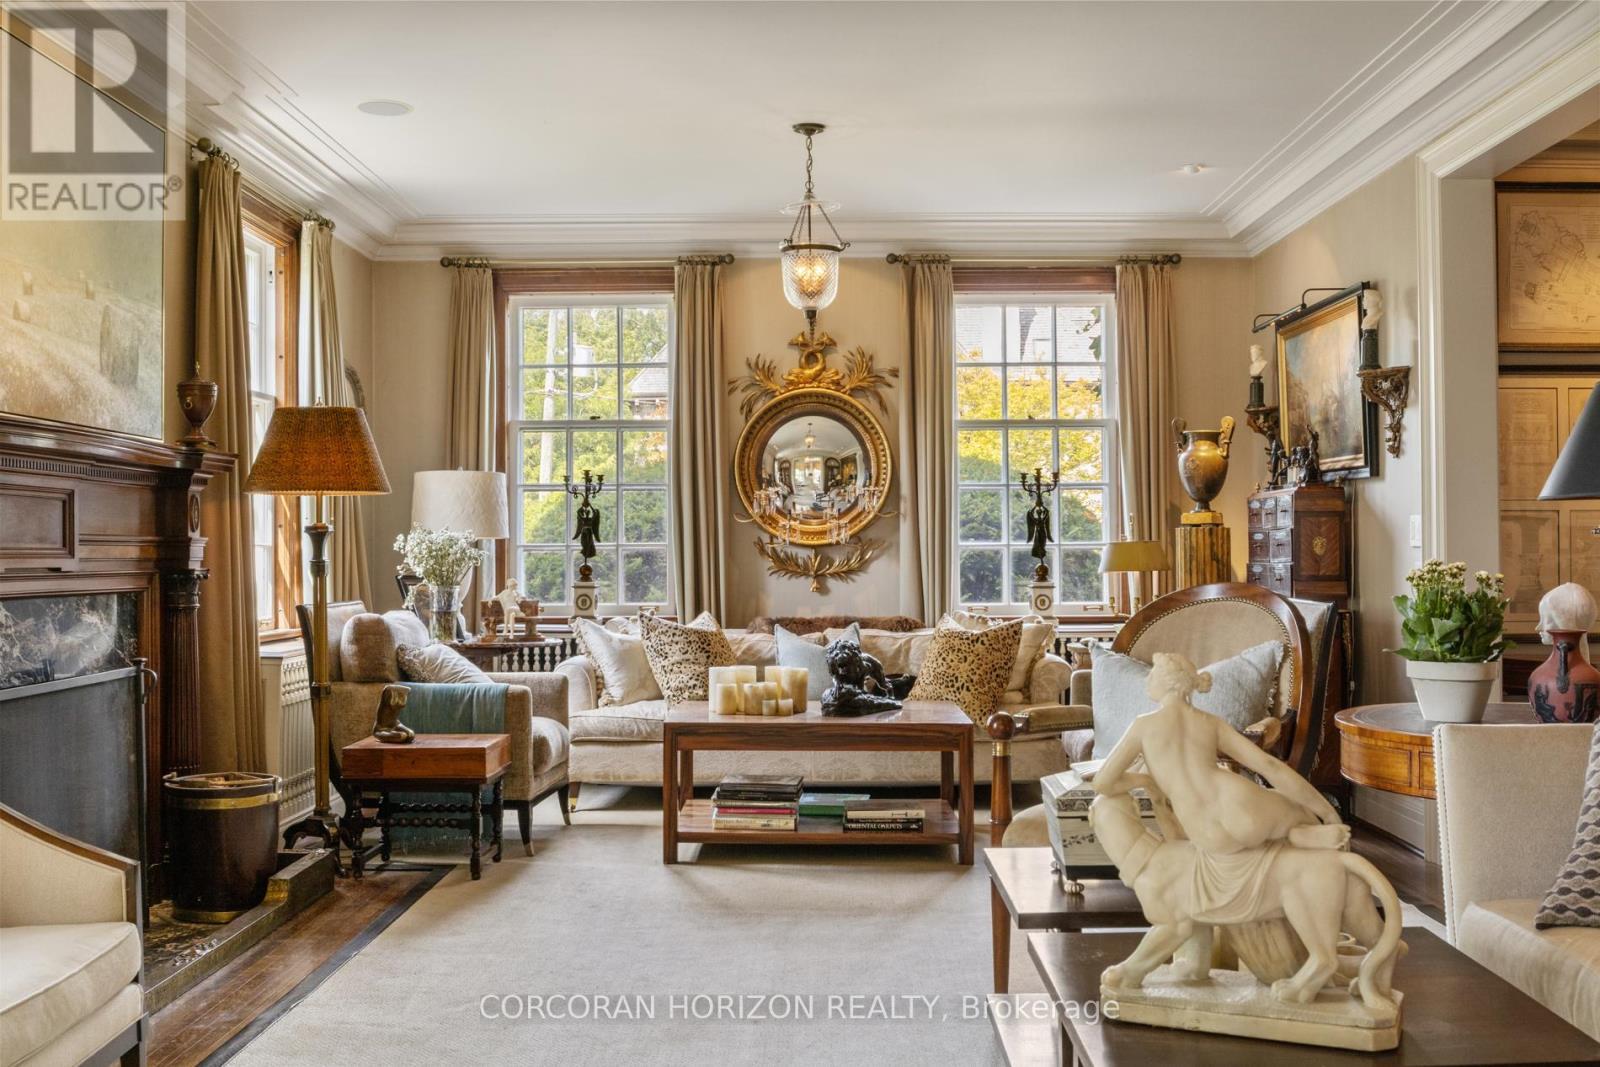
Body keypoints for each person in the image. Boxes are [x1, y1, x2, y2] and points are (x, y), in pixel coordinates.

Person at [1092, 653, 1346, 856]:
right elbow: (1270, 766)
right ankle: (1296, 833)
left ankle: (1294, 836)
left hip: (1203, 829)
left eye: (1153, 675)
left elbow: (1103, 782)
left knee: (1246, 837)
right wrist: (1328, 813)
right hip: (1241, 801)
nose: (1148, 680)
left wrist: (1145, 781)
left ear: (1168, 682)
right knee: (1299, 813)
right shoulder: (1210, 723)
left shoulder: (1143, 725)